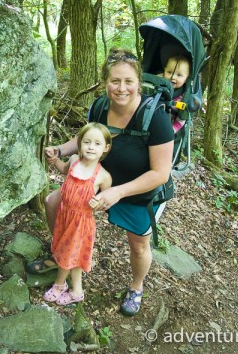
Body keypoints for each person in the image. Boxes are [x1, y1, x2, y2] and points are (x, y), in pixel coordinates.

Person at [34, 48, 174, 316]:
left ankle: (136, 286)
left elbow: (160, 173)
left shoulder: (156, 118)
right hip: (95, 183)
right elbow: (86, 138)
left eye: (128, 81)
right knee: (53, 202)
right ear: (105, 82)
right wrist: (60, 151)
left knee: (139, 243)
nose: (121, 88)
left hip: (134, 192)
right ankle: (63, 256)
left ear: (138, 82)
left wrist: (118, 193)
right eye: (115, 81)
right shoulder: (100, 106)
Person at [43, 122, 112, 305]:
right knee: (71, 253)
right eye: (87, 142)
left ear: (106, 148)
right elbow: (63, 169)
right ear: (80, 143)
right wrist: (54, 160)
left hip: (81, 223)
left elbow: (106, 202)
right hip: (65, 215)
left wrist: (98, 203)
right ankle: (77, 291)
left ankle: (59, 284)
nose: (91, 147)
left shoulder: (103, 176)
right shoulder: (74, 161)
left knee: (67, 253)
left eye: (97, 144)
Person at [159, 54, 191, 133]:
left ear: (186, 78)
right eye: (169, 72)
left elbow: (181, 121)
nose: (173, 77)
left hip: (167, 129)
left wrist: (171, 131)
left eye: (179, 75)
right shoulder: (158, 82)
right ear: (164, 71)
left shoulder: (183, 98)